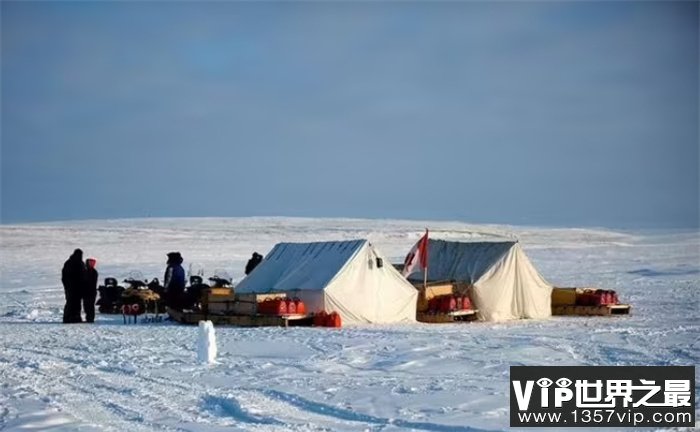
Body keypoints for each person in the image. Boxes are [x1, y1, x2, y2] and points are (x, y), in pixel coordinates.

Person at [61, 249, 85, 323]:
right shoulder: (69, 263)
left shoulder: (80, 263)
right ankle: (68, 318)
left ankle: (76, 317)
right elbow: (65, 276)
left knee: (77, 303)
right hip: (71, 287)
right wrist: (68, 285)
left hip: (78, 287)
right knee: (70, 302)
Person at [83, 258, 99, 323]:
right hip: (86, 291)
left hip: (90, 291)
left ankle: (90, 319)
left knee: (90, 306)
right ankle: (88, 318)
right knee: (86, 305)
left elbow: (89, 281)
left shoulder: (93, 272)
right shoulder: (86, 271)